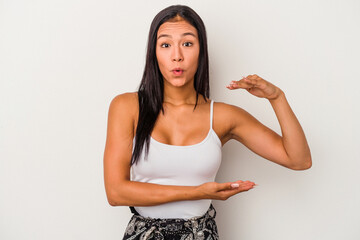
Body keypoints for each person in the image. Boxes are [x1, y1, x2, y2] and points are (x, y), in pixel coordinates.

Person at [103, 4, 311, 240]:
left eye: (188, 43)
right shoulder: (127, 107)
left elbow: (299, 160)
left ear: (201, 51)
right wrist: (196, 192)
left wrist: (277, 98)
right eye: (166, 44)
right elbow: (116, 192)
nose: (177, 55)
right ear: (154, 52)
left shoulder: (223, 116)